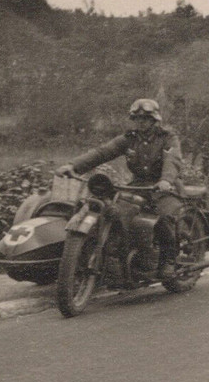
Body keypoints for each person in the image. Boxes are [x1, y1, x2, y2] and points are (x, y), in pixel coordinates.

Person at [56, 98, 183, 277]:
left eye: (145, 119)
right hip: (138, 186)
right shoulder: (129, 139)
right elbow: (102, 152)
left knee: (165, 215)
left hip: (165, 187)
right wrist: (73, 165)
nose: (141, 122)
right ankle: (117, 256)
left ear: (154, 120)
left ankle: (169, 260)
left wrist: (166, 180)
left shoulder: (167, 138)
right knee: (116, 212)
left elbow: (173, 159)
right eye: (137, 119)